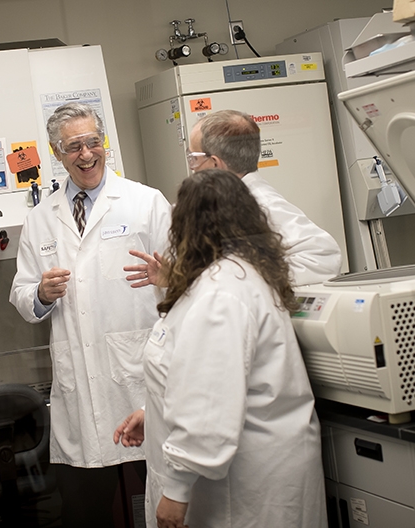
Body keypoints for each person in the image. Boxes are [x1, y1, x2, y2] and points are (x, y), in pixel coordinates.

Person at [114, 169, 326, 528]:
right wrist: (156, 413)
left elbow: (210, 401)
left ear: (187, 228)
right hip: (249, 471)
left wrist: (176, 491)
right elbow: (206, 375)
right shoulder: (231, 276)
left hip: (244, 486)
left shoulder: (222, 293)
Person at [9, 102, 171, 526]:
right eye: (73, 146)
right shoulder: (42, 219)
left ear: (105, 144)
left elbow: (188, 280)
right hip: (78, 387)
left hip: (139, 381)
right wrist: (41, 293)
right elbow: (23, 296)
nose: (86, 154)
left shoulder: (145, 202)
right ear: (55, 152)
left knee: (165, 503)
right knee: (84, 513)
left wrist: (168, 275)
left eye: (93, 142)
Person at [187, 109, 341, 286]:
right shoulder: (230, 203)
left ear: (215, 163)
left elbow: (324, 257)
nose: (192, 167)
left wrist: (249, 279)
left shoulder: (261, 203)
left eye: (193, 158)